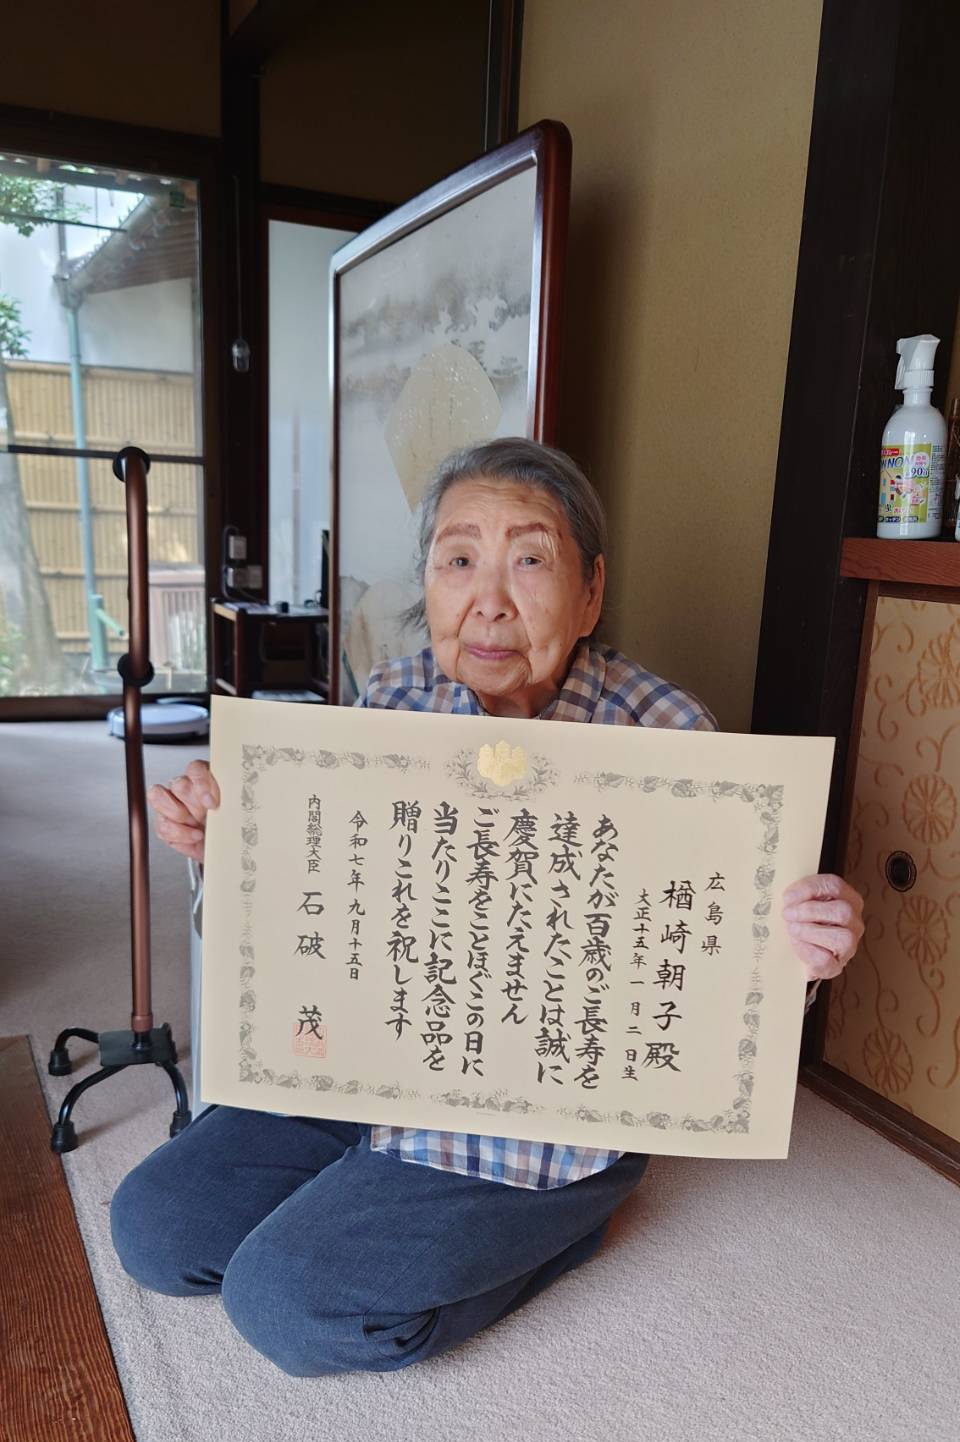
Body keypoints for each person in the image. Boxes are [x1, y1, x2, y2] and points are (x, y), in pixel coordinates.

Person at [111, 438, 864, 1377]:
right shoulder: (393, 698)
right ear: (427, 582)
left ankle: (568, 1226)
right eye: (459, 559)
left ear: (590, 592)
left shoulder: (669, 734)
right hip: (375, 1059)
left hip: (546, 1113)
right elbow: (324, 914)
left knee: (282, 1301)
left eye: (531, 560)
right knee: (154, 1229)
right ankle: (357, 1181)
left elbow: (713, 971)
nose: (490, 600)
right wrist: (224, 849)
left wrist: (803, 951)